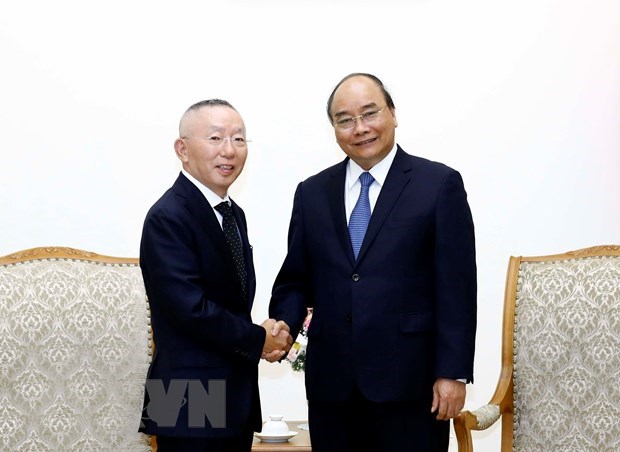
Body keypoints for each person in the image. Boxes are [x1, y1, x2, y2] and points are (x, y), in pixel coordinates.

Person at [268, 73, 477, 451]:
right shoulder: (312, 192)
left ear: (393, 113)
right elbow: (296, 279)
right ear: (334, 129)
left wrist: (453, 372)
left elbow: (457, 288)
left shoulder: (438, 184)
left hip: (411, 385)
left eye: (369, 113)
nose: (360, 128)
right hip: (333, 387)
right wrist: (282, 325)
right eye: (345, 119)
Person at [139, 99, 291, 451]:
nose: (229, 150)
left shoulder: (232, 213)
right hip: (186, 394)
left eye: (239, 139)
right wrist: (258, 339)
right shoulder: (168, 216)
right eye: (215, 138)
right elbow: (190, 309)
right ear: (183, 149)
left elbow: (231, 301)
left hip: (234, 392)